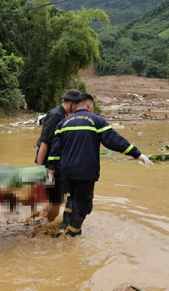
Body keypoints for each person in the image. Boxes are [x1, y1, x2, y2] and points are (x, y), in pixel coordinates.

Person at [47, 93, 152, 236]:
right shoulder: (96, 121)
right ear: (89, 105)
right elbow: (115, 141)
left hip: (67, 172)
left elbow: (55, 151)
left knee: (73, 196)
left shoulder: (63, 123)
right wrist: (138, 154)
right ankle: (71, 237)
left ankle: (62, 227)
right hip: (86, 172)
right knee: (83, 205)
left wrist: (50, 173)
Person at [35, 89, 80, 223]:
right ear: (72, 102)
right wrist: (38, 170)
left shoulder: (65, 115)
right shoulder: (56, 115)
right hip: (51, 165)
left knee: (53, 198)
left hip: (58, 165)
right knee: (56, 201)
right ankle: (47, 226)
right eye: (77, 105)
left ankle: (43, 221)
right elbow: (44, 143)